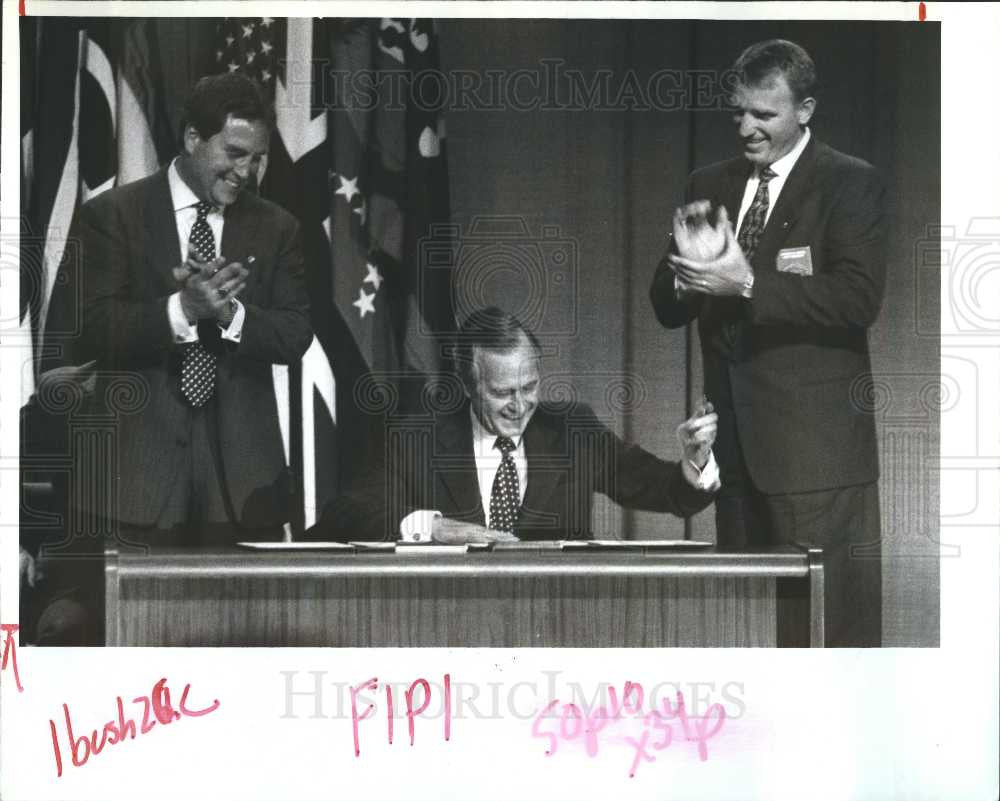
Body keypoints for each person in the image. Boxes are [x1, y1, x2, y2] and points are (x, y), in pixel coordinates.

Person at [30, 73, 312, 643]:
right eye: (234, 154)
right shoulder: (112, 215)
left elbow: (295, 334)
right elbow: (80, 334)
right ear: (191, 138)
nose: (245, 172)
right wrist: (179, 309)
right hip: (131, 484)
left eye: (257, 159)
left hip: (242, 489)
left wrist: (230, 316)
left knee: (240, 651)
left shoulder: (278, 228)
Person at [649, 40, 886, 646]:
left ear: (804, 109)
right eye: (738, 112)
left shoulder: (848, 183)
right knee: (750, 636)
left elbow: (858, 299)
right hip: (736, 457)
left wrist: (747, 282)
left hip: (817, 464)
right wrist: (688, 272)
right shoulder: (712, 181)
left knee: (829, 639)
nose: (746, 128)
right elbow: (665, 307)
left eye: (764, 114)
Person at [317, 307, 720, 543]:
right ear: (467, 385)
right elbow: (346, 513)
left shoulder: (571, 430)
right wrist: (436, 528)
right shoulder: (417, 438)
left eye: (529, 387)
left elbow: (666, 492)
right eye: (502, 392)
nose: (519, 406)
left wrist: (695, 462)